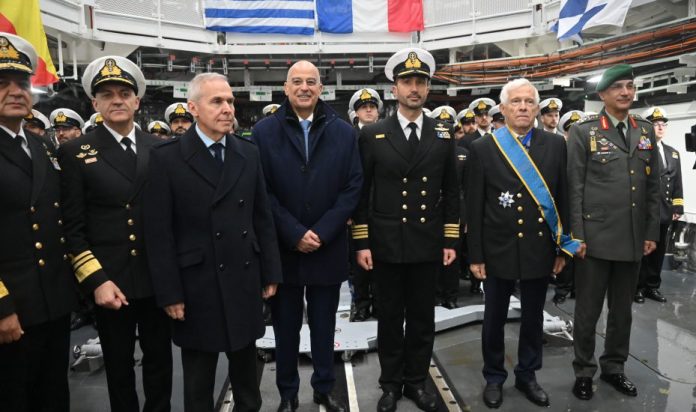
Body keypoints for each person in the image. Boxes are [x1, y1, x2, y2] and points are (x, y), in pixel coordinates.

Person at [144, 72, 282, 412]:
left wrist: (271, 272)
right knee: (198, 385)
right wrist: (169, 293)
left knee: (247, 382)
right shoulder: (166, 157)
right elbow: (159, 233)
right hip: (196, 286)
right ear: (193, 108)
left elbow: (262, 218)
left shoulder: (247, 153)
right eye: (217, 101)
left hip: (242, 278)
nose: (227, 109)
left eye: (230, 101)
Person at [58, 55, 173, 412]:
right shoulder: (75, 152)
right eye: (107, 94)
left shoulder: (161, 148)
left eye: (124, 93)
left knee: (160, 361)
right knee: (118, 366)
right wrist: (96, 281)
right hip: (111, 280)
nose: (117, 100)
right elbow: (72, 227)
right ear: (95, 104)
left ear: (137, 101)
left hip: (155, 276)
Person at [353, 48, 459, 412]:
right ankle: (389, 384)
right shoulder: (373, 134)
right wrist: (362, 241)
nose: (414, 88)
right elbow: (362, 191)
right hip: (385, 241)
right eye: (407, 82)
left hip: (426, 241)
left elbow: (452, 190)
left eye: (420, 82)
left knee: (422, 318)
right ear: (394, 89)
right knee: (388, 317)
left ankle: (416, 381)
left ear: (428, 88)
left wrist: (450, 238)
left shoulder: (443, 133)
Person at [253, 61, 362, 412]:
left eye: (311, 81)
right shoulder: (263, 132)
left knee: (324, 326)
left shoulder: (343, 131)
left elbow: (353, 187)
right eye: (297, 81)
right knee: (285, 329)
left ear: (321, 88)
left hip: (326, 248)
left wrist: (324, 231)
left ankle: (324, 388)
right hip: (284, 249)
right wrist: (294, 232)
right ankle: (287, 393)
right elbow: (262, 190)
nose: (304, 87)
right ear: (285, 88)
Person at [467, 78, 579, 409]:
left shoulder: (555, 145)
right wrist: (475, 255)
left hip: (539, 246)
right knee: (494, 319)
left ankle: (527, 375)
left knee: (533, 317)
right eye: (516, 102)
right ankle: (494, 377)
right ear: (503, 108)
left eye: (529, 102)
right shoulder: (483, 148)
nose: (523, 107)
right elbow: (474, 206)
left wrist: (563, 248)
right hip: (497, 247)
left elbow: (562, 198)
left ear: (537, 108)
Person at [568, 64, 660, 401]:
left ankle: (614, 367)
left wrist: (651, 231)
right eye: (618, 87)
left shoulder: (644, 130)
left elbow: (653, 187)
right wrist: (577, 235)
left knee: (622, 311)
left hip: (633, 237)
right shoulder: (584, 131)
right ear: (603, 94)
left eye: (630, 86)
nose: (626, 92)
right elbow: (574, 188)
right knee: (588, 311)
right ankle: (583, 370)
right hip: (594, 238)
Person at [0, 31, 78, 412]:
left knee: (54, 394)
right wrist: (1, 307)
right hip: (10, 306)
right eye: (3, 83)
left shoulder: (41, 146)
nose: (16, 92)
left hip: (52, 302)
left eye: (22, 83)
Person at [635, 107, 683, 303]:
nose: (660, 127)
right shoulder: (639, 150)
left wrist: (677, 207)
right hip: (644, 211)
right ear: (647, 127)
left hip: (664, 210)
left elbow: (677, 182)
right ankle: (638, 287)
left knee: (659, 250)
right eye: (656, 124)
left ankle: (652, 287)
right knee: (643, 252)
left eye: (663, 124)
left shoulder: (673, 153)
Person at [348, 88, 382, 322]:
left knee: (381, 259)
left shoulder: (386, 135)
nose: (369, 110)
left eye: (372, 106)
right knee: (357, 259)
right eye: (364, 107)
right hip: (357, 207)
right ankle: (361, 304)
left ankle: (379, 303)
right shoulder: (349, 137)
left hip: (381, 206)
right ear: (356, 112)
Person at [552, 110, 586, 305]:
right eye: (571, 130)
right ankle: (563, 288)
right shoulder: (559, 150)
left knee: (583, 249)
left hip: (585, 207)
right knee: (565, 247)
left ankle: (578, 288)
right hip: (564, 206)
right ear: (565, 133)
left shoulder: (590, 150)